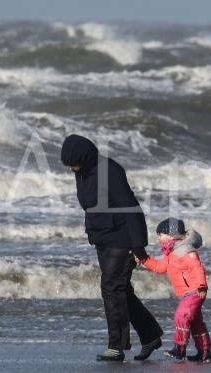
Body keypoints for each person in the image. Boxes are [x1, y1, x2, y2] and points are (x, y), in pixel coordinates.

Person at [60, 134, 163, 362]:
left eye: (73, 163)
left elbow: (130, 206)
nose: (72, 169)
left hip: (123, 239)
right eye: (69, 166)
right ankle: (151, 336)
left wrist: (138, 245)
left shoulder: (110, 171)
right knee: (121, 291)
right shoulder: (82, 172)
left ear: (84, 157)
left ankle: (116, 346)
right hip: (103, 238)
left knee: (110, 288)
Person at [136, 217, 211, 363]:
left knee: (181, 316)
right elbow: (159, 268)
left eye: (160, 234)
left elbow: (197, 268)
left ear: (171, 235)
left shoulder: (185, 250)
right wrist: (144, 259)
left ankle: (179, 348)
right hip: (187, 293)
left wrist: (202, 286)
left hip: (195, 291)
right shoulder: (170, 252)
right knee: (196, 322)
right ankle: (204, 353)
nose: (158, 237)